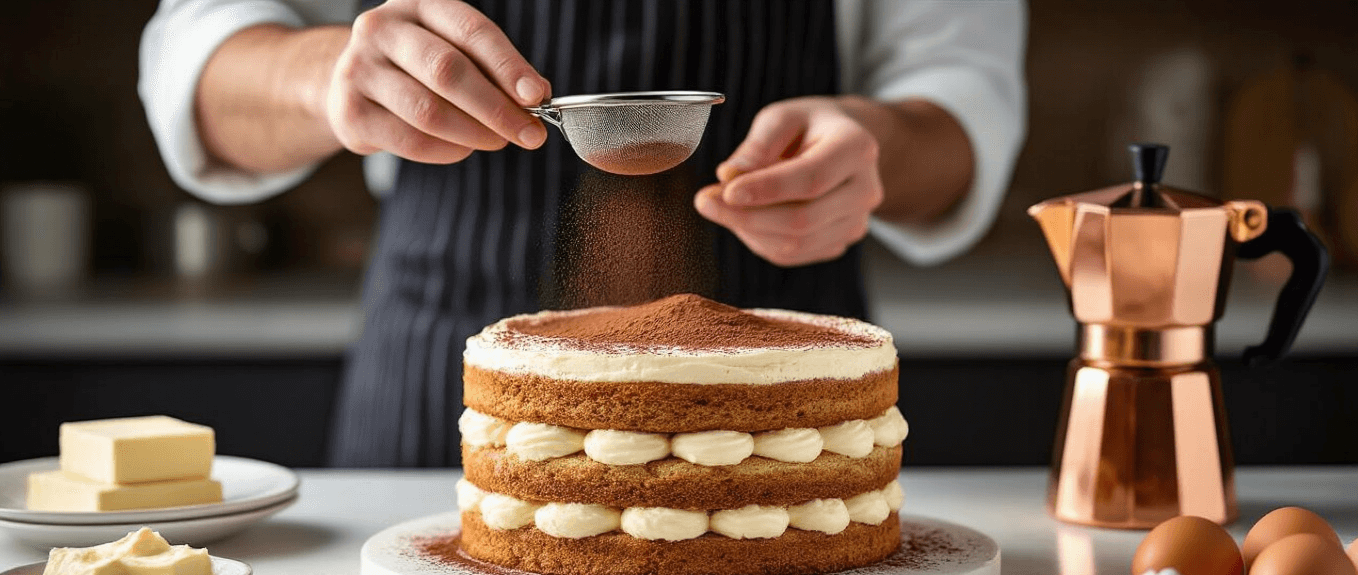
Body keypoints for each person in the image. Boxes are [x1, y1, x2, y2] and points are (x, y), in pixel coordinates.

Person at [139, 0, 1027, 467]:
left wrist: (874, 147)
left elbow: (960, 102)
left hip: (777, 402)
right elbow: (198, 69)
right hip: (439, 395)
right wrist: (328, 72)